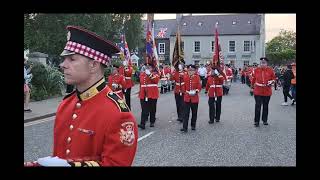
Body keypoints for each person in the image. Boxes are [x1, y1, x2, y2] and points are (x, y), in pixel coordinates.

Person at [24, 26, 137, 167]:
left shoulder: (118, 115)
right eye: (64, 59)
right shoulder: (66, 104)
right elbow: (60, 157)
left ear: (94, 65)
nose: (62, 65)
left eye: (71, 59)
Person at [251, 57, 276, 127]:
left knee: (265, 106)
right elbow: (253, 79)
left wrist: (272, 81)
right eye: (261, 63)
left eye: (264, 63)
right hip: (258, 91)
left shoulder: (270, 70)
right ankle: (256, 121)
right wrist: (252, 87)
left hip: (267, 91)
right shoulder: (256, 70)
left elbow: (274, 78)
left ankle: (264, 120)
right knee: (258, 106)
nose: (262, 64)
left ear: (266, 63)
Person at [138, 62, 160, 129]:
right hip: (143, 93)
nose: (147, 68)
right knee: (144, 108)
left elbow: (156, 80)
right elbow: (141, 84)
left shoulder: (155, 74)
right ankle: (142, 123)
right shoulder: (142, 74)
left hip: (152, 93)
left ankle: (152, 121)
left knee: (152, 108)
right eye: (146, 67)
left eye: (149, 67)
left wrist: (150, 74)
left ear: (152, 68)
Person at [181, 65, 201, 132]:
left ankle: (193, 125)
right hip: (187, 97)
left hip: (194, 97)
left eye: (191, 70)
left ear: (194, 71)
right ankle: (185, 127)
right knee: (185, 113)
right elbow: (183, 85)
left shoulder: (197, 77)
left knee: (194, 113)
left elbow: (199, 87)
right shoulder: (185, 76)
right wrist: (185, 92)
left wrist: (196, 91)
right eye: (189, 70)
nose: (190, 71)